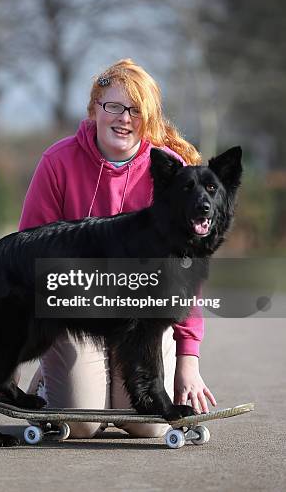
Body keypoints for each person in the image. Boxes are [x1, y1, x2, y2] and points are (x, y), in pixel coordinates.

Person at [17, 58, 216, 439]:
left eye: (136, 109)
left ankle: (102, 389)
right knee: (82, 424)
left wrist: (188, 359)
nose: (124, 118)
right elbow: (27, 257)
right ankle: (50, 378)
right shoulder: (57, 162)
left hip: (141, 322)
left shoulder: (173, 173)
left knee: (148, 427)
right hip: (75, 314)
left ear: (149, 117)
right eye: (113, 106)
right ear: (94, 109)